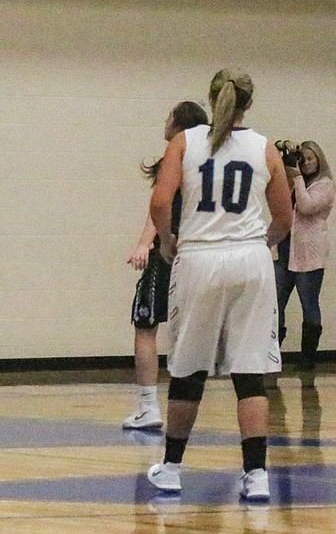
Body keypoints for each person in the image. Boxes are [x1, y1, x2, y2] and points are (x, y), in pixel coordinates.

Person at [144, 69, 292, 501]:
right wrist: (261, 243)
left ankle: (171, 467)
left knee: (188, 368)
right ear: (250, 102)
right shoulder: (265, 147)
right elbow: (284, 216)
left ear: (211, 98)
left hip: (199, 258)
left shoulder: (185, 142)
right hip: (250, 259)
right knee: (251, 374)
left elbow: (159, 202)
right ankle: (257, 475)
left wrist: (168, 242)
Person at [122, 101, 208, 431]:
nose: (164, 121)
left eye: (168, 116)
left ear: (179, 125)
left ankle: (148, 406)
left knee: (145, 323)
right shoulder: (210, 160)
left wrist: (147, 243)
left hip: (172, 252)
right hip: (206, 253)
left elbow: (160, 207)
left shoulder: (176, 157)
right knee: (191, 331)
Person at [275, 141, 336, 370]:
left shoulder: (325, 185)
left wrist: (298, 178)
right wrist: (283, 151)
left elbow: (306, 206)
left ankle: (307, 359)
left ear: (319, 160)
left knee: (308, 303)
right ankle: (272, 354)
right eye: (303, 158)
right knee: (275, 303)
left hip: (309, 253)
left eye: (311, 158)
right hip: (284, 249)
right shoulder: (293, 182)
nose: (307, 163)